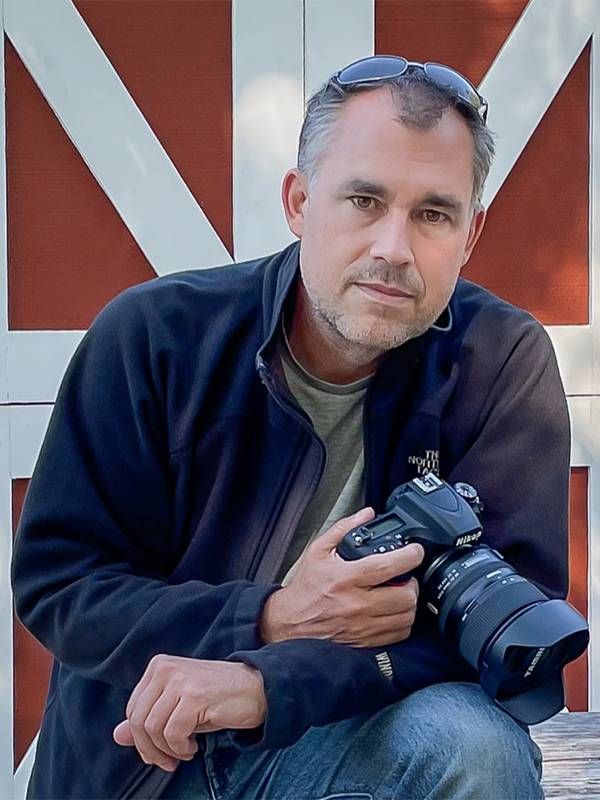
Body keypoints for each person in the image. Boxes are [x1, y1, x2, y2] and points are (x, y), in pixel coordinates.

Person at [11, 56, 569, 799]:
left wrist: (267, 683)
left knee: (477, 748)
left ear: (470, 234)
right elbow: (63, 586)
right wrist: (268, 618)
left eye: (433, 213)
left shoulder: (500, 359)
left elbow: (512, 623)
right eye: (363, 200)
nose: (393, 249)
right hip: (150, 760)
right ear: (300, 203)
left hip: (353, 739)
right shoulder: (154, 338)